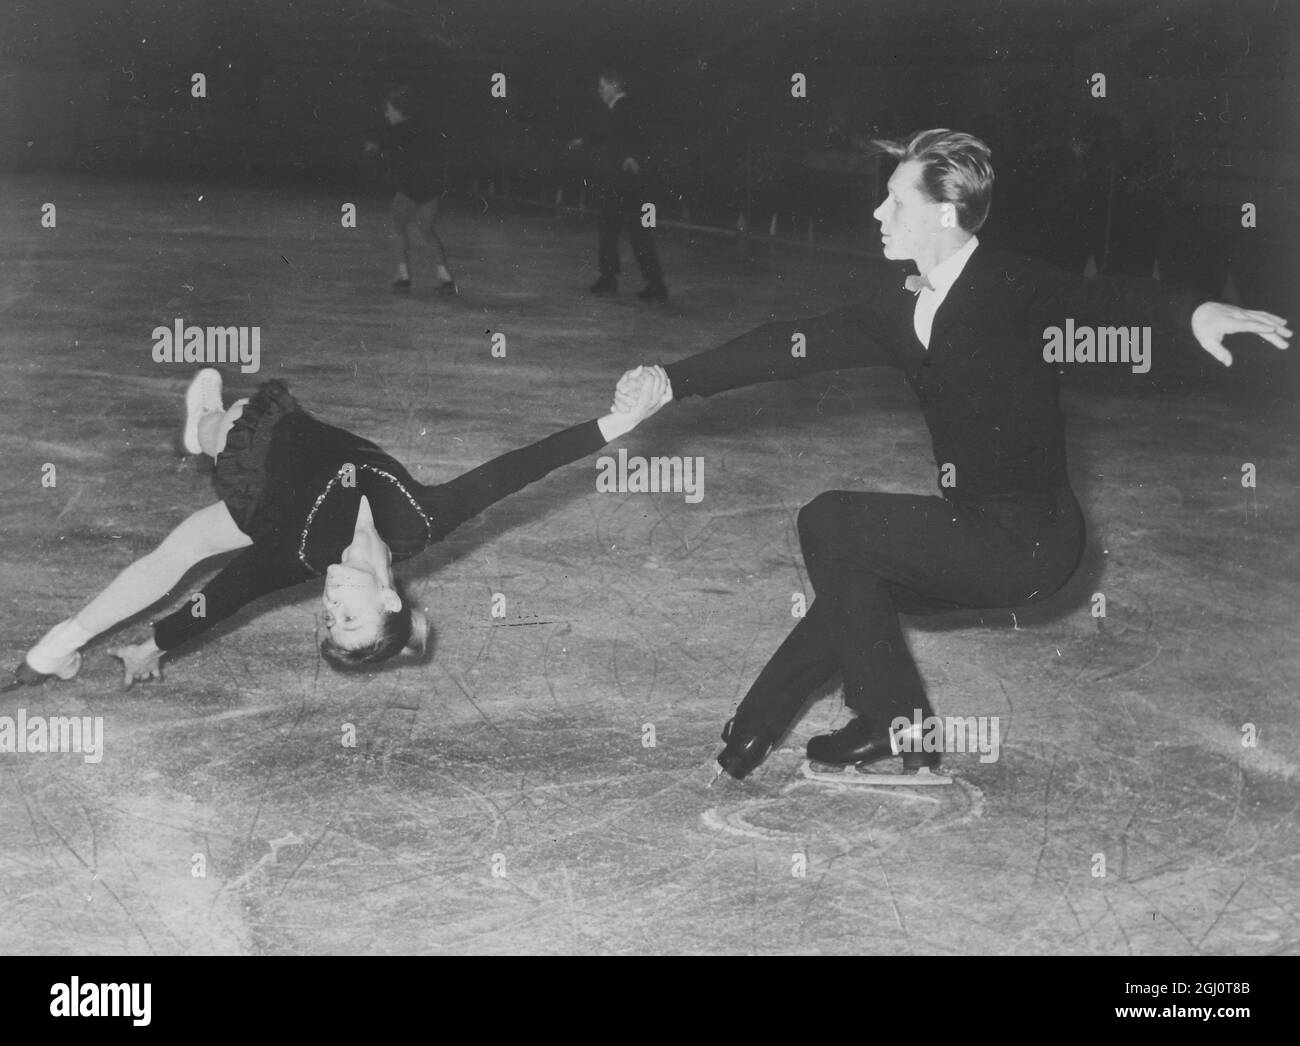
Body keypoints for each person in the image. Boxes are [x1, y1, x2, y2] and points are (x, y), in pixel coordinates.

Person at [615, 128, 1290, 780]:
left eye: (896, 202)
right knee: (855, 591)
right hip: (977, 532)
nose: (879, 212)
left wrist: (1193, 314)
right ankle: (752, 733)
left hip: (1031, 540)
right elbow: (794, 343)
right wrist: (674, 380)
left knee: (829, 522)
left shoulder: (1008, 285)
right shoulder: (899, 308)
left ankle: (894, 723)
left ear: (943, 213)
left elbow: (1103, 299)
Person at [16, 365, 671, 687]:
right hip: (281, 463)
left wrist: (158, 643)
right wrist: (617, 424)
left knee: (184, 540)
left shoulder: (300, 557)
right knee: (203, 502)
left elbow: (228, 593)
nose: (329, 610)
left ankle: (54, 646)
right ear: (387, 596)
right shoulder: (421, 521)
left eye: (327, 624)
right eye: (348, 618)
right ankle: (206, 429)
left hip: (261, 480)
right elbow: (514, 472)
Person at [567, 71, 669, 302]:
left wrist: (634, 157)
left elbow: (640, 137)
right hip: (620, 182)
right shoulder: (619, 109)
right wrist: (584, 141)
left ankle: (628, 280)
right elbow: (609, 135)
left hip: (626, 182)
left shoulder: (626, 108)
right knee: (619, 229)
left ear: (614, 86)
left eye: (602, 86)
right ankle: (631, 279)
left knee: (627, 231)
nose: (599, 90)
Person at [364, 86, 457, 295]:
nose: (386, 113)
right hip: (430, 189)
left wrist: (374, 150)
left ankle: (403, 274)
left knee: (398, 226)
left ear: (398, 110)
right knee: (427, 230)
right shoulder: (423, 128)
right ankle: (445, 276)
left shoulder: (394, 132)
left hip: (409, 188)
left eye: (389, 109)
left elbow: (380, 150)